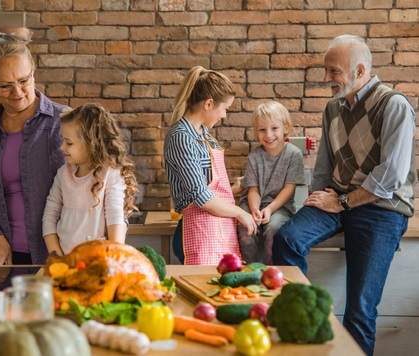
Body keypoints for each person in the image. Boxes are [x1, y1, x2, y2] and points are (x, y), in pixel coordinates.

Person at [273, 35, 416, 355]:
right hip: (336, 199)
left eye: (333, 71)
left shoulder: (393, 105)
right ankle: (302, 317)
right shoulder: (333, 108)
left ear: (360, 70)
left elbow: (391, 177)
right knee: (287, 238)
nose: (326, 79)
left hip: (382, 207)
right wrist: (314, 199)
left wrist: (345, 201)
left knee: (360, 310)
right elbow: (325, 165)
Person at [0, 43, 66, 266]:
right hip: (2, 261)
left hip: (60, 258)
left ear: (33, 72)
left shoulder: (66, 122)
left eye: (23, 81)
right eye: (5, 85)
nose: (17, 93)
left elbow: (100, 185)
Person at [164, 66, 257, 265]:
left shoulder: (203, 134)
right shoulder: (182, 137)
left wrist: (233, 189)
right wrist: (241, 213)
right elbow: (201, 197)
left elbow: (206, 187)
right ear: (208, 104)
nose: (224, 115)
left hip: (215, 228)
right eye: (225, 109)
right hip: (198, 231)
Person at [42, 104, 138, 255]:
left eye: (69, 143)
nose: (62, 147)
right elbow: (49, 215)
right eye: (63, 141)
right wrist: (57, 257)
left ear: (91, 143)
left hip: (99, 260)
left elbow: (115, 216)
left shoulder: (110, 173)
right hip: (66, 262)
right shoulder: (63, 174)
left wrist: (115, 257)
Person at [237, 101, 306, 264]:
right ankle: (249, 269)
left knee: (274, 228)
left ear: (286, 128)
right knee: (246, 228)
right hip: (253, 203)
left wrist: (269, 209)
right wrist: (254, 210)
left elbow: (289, 189)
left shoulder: (294, 155)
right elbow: (253, 189)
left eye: (274, 128)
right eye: (262, 130)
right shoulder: (254, 157)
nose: (268, 135)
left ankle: (270, 270)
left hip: (280, 206)